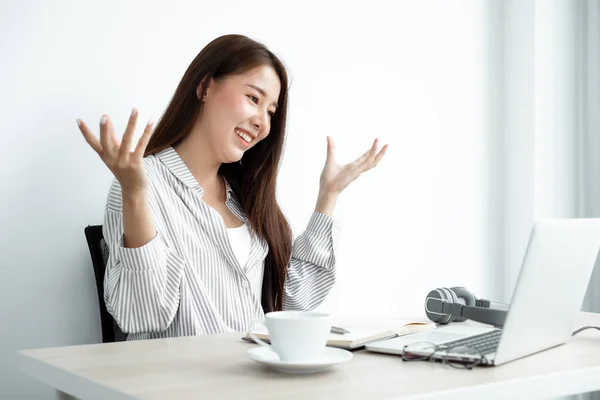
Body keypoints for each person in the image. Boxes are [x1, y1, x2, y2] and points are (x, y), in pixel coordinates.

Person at [77, 34, 388, 340]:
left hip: (255, 379)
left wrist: (328, 197)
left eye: (270, 112)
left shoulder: (243, 199)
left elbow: (289, 304)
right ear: (204, 88)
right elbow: (144, 315)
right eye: (253, 98)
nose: (262, 123)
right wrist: (133, 194)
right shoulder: (142, 184)